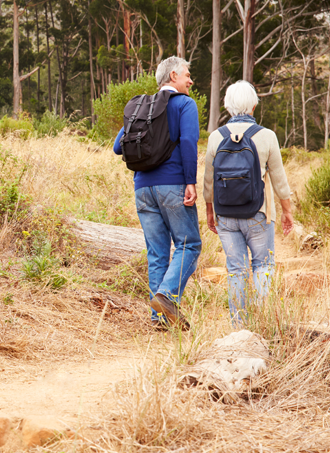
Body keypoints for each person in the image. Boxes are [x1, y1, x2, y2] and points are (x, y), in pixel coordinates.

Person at [113, 56, 202, 330]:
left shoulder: (142, 106)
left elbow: (118, 146)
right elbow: (188, 141)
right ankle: (166, 296)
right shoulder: (185, 104)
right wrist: (190, 181)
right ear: (173, 75)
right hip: (172, 184)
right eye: (187, 75)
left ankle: (159, 319)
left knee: (157, 253)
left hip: (142, 189)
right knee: (189, 244)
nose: (190, 80)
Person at [203, 80, 294, 325]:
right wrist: (287, 211)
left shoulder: (215, 137)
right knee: (263, 265)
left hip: (226, 216)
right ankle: (263, 323)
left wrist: (210, 212)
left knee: (236, 270)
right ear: (253, 105)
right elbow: (279, 178)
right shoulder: (267, 136)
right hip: (259, 213)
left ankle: (238, 326)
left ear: (228, 106)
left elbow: (208, 181)